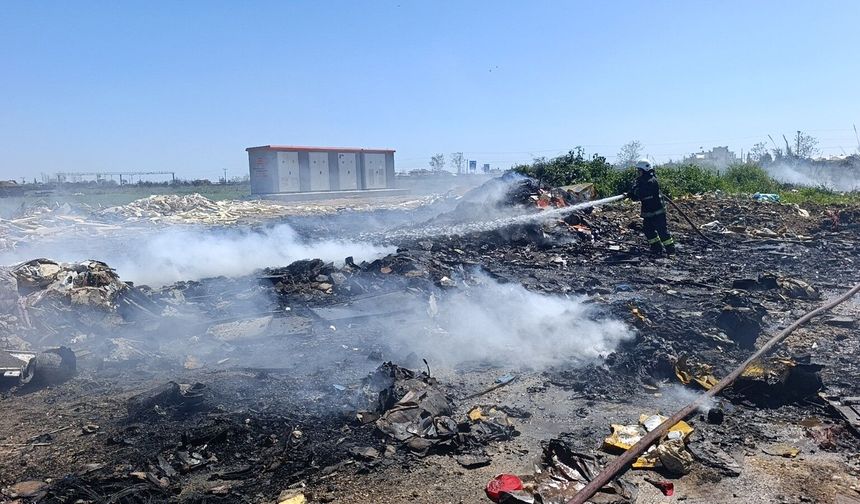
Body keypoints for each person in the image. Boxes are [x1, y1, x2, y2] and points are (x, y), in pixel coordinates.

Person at [627, 159, 675, 256]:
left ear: (644, 170)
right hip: (648, 212)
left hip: (657, 212)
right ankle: (656, 249)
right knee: (648, 231)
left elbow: (643, 194)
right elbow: (636, 190)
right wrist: (631, 192)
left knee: (662, 232)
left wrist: (634, 194)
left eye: (639, 171)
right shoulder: (640, 181)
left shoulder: (651, 181)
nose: (638, 173)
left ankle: (671, 251)